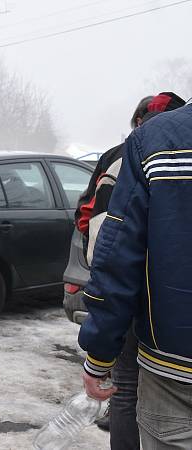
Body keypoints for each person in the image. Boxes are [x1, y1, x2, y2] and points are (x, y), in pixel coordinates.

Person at [79, 93, 192, 449]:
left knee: (126, 389)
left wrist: (99, 352)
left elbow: (112, 248)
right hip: (160, 338)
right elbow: (95, 220)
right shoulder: (126, 155)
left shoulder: (149, 145)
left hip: (171, 359)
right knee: (126, 390)